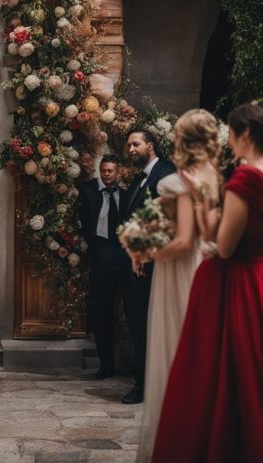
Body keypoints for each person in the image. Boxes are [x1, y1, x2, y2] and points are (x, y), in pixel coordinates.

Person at [153, 102, 263, 462]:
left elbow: (225, 246)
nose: (228, 141)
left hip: (235, 283)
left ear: (245, 134)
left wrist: (202, 208)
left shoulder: (245, 179)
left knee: (221, 372)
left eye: (231, 133)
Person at [132, 109, 220, 462]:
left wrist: (146, 251)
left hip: (178, 269)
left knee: (172, 348)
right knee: (197, 348)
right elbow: (207, 234)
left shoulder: (180, 181)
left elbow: (183, 241)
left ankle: (176, 440)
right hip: (203, 265)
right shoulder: (215, 178)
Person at [120, 129, 176, 404]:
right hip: (136, 267)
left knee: (148, 326)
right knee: (139, 325)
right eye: (128, 145)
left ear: (150, 146)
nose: (130, 149)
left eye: (135, 144)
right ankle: (144, 382)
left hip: (152, 267)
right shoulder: (139, 179)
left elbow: (168, 222)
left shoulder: (164, 175)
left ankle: (146, 386)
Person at [78, 155, 127, 379]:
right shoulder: (87, 191)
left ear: (118, 172)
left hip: (124, 256)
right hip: (100, 255)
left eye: (110, 171)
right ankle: (105, 364)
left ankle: (131, 363)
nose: (107, 174)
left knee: (129, 310)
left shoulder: (126, 193)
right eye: (104, 170)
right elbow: (83, 221)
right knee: (101, 312)